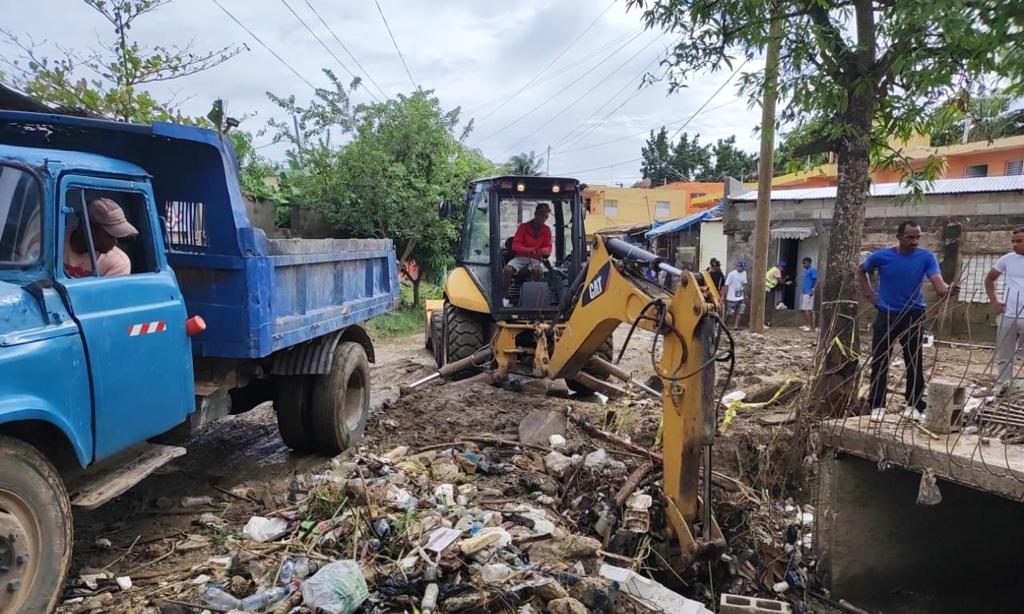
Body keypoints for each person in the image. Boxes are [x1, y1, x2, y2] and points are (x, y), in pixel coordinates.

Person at [858, 221, 957, 423]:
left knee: (913, 360)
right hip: (887, 314)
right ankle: (877, 405)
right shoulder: (881, 256)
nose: (914, 241)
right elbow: (861, 270)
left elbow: (939, 285)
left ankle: (914, 404)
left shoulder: (926, 257)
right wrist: (869, 294)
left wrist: (948, 290)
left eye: (917, 237)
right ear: (899, 237)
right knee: (880, 359)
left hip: (913, 314)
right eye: (910, 237)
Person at [985, 226, 1024, 396]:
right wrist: (994, 301)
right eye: (1013, 241)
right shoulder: (1007, 259)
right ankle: (1002, 386)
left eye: (1019, 241)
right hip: (1008, 315)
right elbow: (990, 278)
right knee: (1004, 354)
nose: (1014, 244)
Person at [63, 197, 138, 278]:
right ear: (87, 227)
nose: (115, 241)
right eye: (110, 235)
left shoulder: (118, 262)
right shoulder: (56, 241)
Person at [502, 202, 552, 305]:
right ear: (536, 214)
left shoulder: (547, 230)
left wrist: (545, 251)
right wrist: (528, 249)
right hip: (521, 257)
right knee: (507, 270)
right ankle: (505, 296)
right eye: (541, 215)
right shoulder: (523, 227)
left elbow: (548, 246)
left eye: (545, 216)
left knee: (538, 271)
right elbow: (515, 245)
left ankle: (533, 300)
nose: (543, 218)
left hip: (536, 259)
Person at [724, 260, 748, 328]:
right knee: (730, 312)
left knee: (741, 311)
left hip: (740, 296)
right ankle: (724, 323)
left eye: (744, 268)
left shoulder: (744, 273)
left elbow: (744, 284)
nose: (743, 269)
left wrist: (745, 294)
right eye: (742, 267)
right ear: (738, 266)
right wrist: (724, 295)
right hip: (732, 297)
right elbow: (726, 285)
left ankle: (736, 326)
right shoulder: (732, 274)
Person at [764, 260, 787, 327]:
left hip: (765, 287)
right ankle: (765, 322)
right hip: (767, 288)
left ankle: (765, 322)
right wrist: (786, 280)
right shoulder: (777, 271)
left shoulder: (773, 268)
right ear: (779, 266)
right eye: (782, 267)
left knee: (765, 304)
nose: (782, 269)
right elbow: (780, 281)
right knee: (767, 305)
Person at [799, 257, 819, 332]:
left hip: (809, 292)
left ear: (809, 263)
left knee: (808, 309)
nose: (803, 265)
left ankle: (809, 326)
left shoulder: (812, 270)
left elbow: (816, 280)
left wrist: (813, 290)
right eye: (803, 263)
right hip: (804, 291)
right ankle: (806, 324)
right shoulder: (805, 271)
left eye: (805, 263)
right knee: (805, 309)